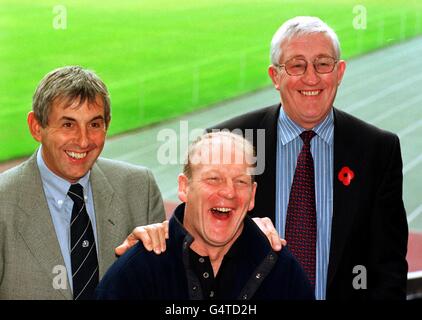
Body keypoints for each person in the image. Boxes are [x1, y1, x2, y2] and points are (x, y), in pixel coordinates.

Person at [208, 16, 408, 300]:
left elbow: (387, 271)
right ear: (275, 76)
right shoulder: (225, 142)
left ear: (339, 72)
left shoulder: (378, 150)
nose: (311, 78)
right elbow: (199, 250)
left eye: (323, 64)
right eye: (296, 65)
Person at [0, 66, 167, 299]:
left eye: (94, 124)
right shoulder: (4, 202)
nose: (83, 140)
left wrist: (140, 266)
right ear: (36, 127)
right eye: (68, 124)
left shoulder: (140, 188)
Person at [95, 132, 314, 300]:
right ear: (184, 187)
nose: (228, 192)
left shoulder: (282, 271)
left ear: (252, 195)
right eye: (213, 179)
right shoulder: (137, 272)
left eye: (240, 182)